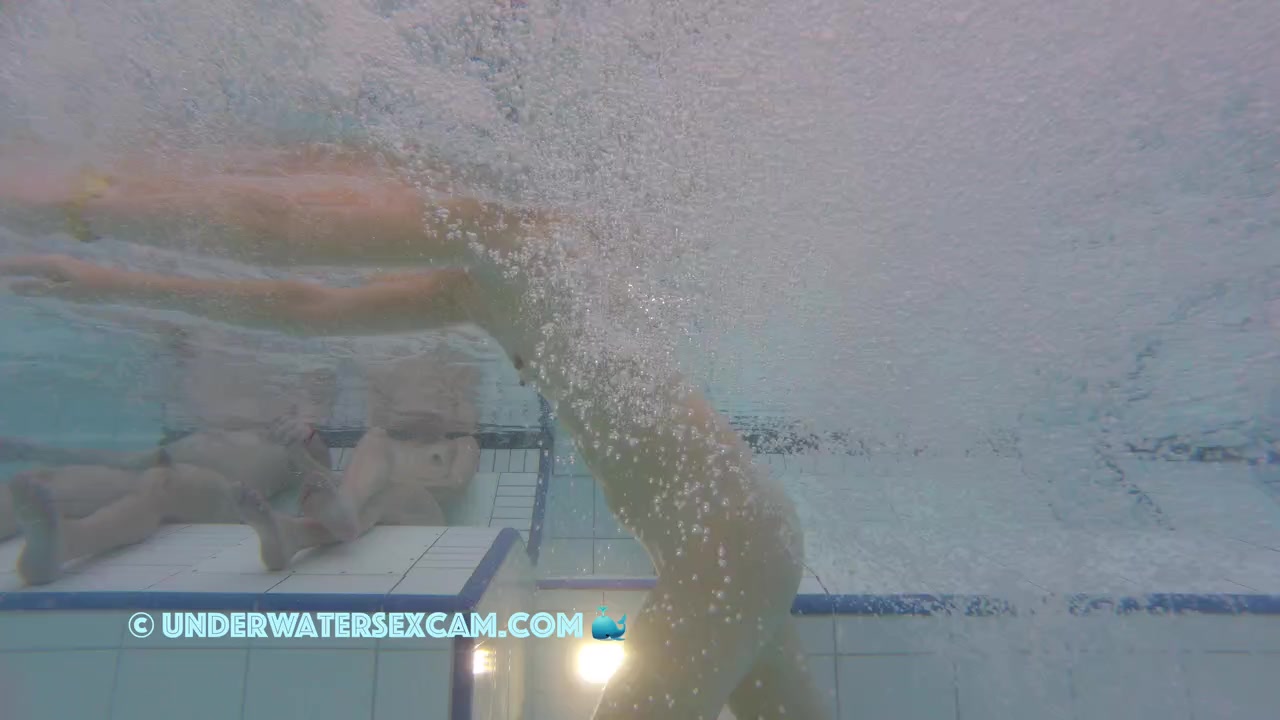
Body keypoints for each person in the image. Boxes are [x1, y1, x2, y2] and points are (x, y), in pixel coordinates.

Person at [0, 142, 828, 720]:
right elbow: (305, 308)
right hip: (739, 542)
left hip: (727, 551)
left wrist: (83, 209)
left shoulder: (517, 244)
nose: (384, 210)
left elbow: (279, 231)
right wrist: (107, 282)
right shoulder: (486, 283)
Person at [0, 338, 482, 582]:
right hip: (290, 493)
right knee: (66, 480)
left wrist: (311, 461)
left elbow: (315, 450)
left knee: (156, 488)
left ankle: (69, 541)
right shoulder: (377, 440)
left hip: (258, 485)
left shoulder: (444, 444)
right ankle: (299, 530)